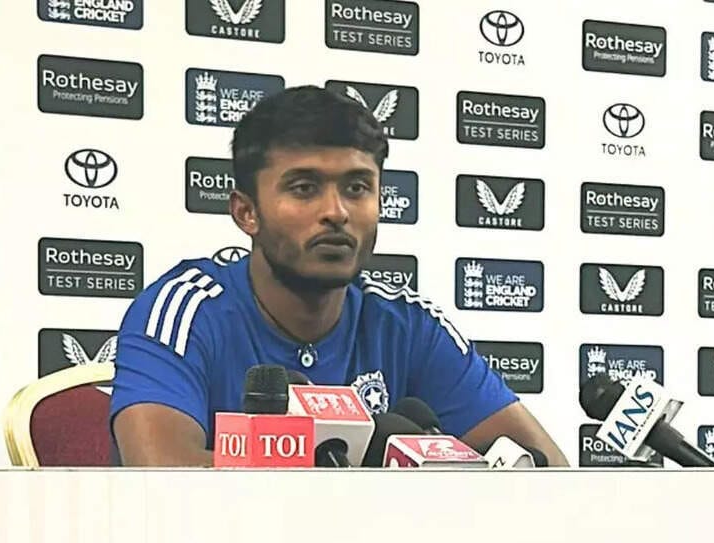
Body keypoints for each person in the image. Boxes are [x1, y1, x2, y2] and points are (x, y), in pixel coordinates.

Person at [108, 85, 569, 467]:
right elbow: (162, 479)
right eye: (304, 188)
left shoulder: (409, 325)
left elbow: (546, 470)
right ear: (246, 212)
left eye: (357, 187)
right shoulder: (184, 312)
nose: (336, 212)